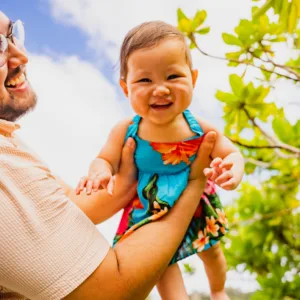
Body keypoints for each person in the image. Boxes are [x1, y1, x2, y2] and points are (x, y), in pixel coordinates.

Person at [0, 11, 217, 300]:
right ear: (126, 87)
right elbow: (110, 292)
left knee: (211, 257)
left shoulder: (11, 139)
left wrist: (125, 183)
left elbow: (67, 208)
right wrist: (192, 181)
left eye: (13, 34)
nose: (20, 56)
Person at [77, 21, 244, 300]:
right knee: (160, 264)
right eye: (145, 80)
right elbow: (104, 159)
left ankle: (217, 291)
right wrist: (100, 172)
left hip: (195, 203)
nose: (161, 89)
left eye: (173, 76)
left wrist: (232, 171)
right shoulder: (126, 130)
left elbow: (231, 153)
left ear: (193, 78)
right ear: (125, 88)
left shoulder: (197, 127)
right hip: (150, 204)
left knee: (212, 252)